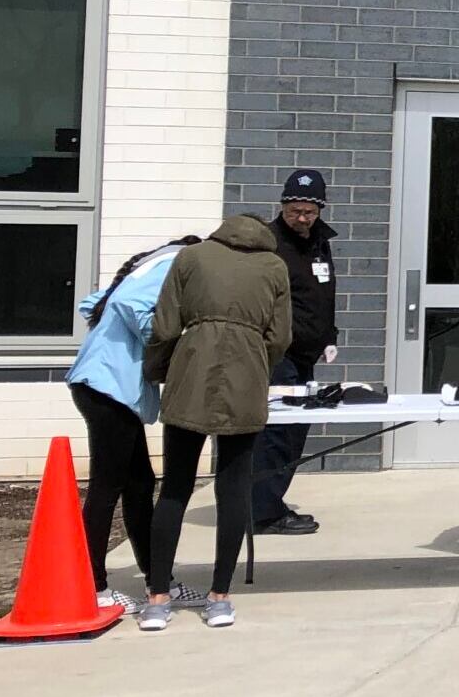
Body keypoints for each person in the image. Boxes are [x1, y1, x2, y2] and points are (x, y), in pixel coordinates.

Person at [139, 215, 290, 631]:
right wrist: (256, 362)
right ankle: (219, 597)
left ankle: (157, 598)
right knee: (234, 489)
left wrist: (160, 367)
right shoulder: (274, 266)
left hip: (192, 368)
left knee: (175, 487)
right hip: (246, 373)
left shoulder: (191, 257)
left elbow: (165, 324)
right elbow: (280, 336)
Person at [67, 235, 203, 612]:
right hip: (108, 388)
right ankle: (93, 588)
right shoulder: (177, 262)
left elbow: (94, 303)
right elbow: (129, 305)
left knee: (140, 485)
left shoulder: (151, 266)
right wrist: (168, 342)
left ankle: (159, 580)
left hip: (107, 387)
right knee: (107, 487)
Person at [250, 167, 338, 537]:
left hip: (306, 355)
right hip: (278, 354)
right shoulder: (269, 243)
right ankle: (262, 512)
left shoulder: (319, 242)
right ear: (283, 206)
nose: (301, 218)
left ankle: (270, 503)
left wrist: (329, 335)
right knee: (277, 432)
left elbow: (323, 293)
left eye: (309, 212)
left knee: (295, 432)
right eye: (294, 211)